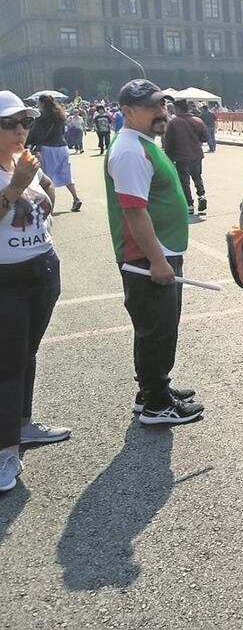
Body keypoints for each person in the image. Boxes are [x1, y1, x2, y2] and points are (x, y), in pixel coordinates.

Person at [105, 79, 204, 425]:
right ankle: (156, 405)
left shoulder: (141, 141)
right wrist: (158, 261)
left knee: (156, 327)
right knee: (157, 330)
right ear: (128, 112)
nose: (161, 112)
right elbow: (134, 211)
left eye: (162, 105)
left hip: (158, 252)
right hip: (148, 257)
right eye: (152, 107)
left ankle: (151, 390)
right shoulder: (131, 149)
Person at [0, 91, 71, 492]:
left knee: (26, 354)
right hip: (6, 279)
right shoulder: (12, 172)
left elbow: (46, 198)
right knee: (6, 365)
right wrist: (17, 186)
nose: (20, 130)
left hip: (41, 271)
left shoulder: (20, 161)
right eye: (10, 124)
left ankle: (23, 426)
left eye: (24, 122)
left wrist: (38, 183)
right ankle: (5, 450)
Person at [25, 95, 81, 213]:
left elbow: (38, 134)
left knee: (47, 179)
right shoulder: (60, 116)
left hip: (47, 148)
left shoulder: (41, 118)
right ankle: (76, 198)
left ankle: (48, 208)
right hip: (63, 147)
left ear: (41, 103)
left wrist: (37, 148)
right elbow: (62, 132)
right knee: (67, 175)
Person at [162, 99, 210, 216]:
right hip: (196, 155)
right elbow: (205, 137)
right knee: (197, 177)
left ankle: (189, 204)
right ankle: (201, 195)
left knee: (184, 181)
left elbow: (168, 142)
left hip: (181, 156)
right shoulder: (197, 120)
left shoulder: (174, 123)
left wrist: (168, 156)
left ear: (178, 109)